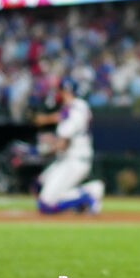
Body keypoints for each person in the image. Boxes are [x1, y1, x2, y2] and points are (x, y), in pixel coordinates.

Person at [33, 85, 103, 216]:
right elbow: (59, 119)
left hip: (75, 160)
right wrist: (46, 120)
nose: (58, 95)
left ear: (67, 92)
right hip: (68, 159)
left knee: (46, 204)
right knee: (39, 184)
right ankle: (85, 195)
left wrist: (39, 150)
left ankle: (89, 194)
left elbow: (63, 142)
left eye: (61, 91)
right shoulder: (74, 107)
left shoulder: (76, 108)